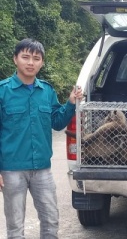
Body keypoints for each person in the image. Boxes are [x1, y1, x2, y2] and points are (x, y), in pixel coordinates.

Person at [0, 38, 83, 238]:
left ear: (42, 62)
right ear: (15, 59)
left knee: (50, 219)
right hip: (11, 171)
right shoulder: (3, 91)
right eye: (25, 57)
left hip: (42, 170)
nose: (31, 62)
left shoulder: (46, 91)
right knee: (15, 226)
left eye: (36, 58)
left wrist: (70, 103)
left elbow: (56, 122)